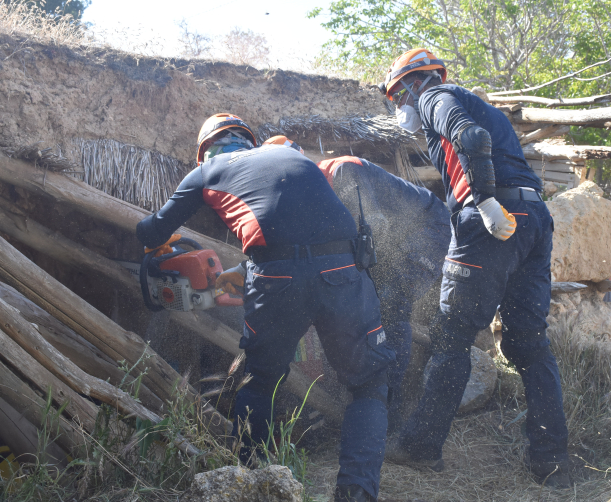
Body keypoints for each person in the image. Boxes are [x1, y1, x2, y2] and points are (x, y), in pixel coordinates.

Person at [137, 115, 395, 502]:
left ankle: (253, 484)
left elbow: (152, 230)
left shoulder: (208, 170)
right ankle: (356, 494)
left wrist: (158, 244)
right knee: (369, 383)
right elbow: (304, 227)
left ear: (205, 150)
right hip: (345, 268)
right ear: (248, 141)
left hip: (276, 278)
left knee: (260, 382)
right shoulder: (290, 155)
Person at [378, 48, 569, 487]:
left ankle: (421, 447)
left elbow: (471, 138)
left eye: (396, 97)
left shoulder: (433, 96)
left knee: (452, 338)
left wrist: (482, 200)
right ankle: (552, 462)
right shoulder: (480, 104)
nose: (399, 106)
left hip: (491, 221)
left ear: (411, 83)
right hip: (534, 219)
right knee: (529, 344)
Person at [315, 155, 451, 433]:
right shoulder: (324, 186)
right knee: (374, 304)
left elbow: (375, 227)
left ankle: (390, 413)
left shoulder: (341, 171)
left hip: (429, 229)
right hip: (399, 241)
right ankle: (372, 402)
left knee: (391, 304)